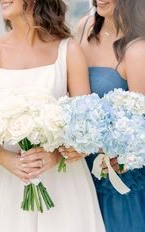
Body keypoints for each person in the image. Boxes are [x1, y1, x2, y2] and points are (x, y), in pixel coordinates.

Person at [0, 0, 105, 231]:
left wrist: (54, 156)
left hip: (64, 184)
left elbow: (86, 126)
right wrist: (7, 160)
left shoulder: (69, 50)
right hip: (8, 185)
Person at [75, 0, 145, 231]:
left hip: (116, 181)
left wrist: (125, 157)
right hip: (78, 172)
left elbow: (142, 125)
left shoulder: (137, 50)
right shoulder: (83, 27)